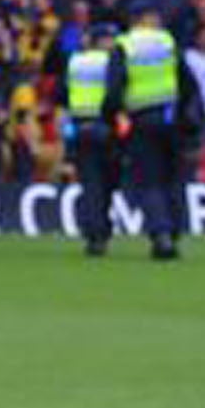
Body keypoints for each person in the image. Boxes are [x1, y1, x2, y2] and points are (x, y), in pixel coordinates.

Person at [108, 1, 183, 259]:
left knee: (149, 179)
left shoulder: (125, 45)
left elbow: (115, 87)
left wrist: (113, 115)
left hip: (142, 119)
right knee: (171, 176)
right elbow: (185, 79)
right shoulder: (166, 41)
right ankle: (174, 230)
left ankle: (161, 235)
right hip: (170, 117)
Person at [62, 20, 119, 256]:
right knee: (106, 183)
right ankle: (100, 230)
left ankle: (94, 233)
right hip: (106, 126)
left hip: (80, 126)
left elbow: (63, 94)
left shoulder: (75, 62)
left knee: (91, 183)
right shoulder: (112, 62)